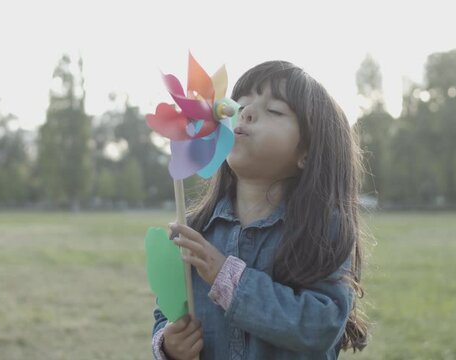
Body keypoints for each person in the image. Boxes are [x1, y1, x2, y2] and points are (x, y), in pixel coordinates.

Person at [152, 60, 368, 359]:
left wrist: (226, 277)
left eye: (274, 110)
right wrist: (167, 345)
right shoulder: (194, 229)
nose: (246, 112)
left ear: (306, 151)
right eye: (238, 106)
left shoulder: (321, 228)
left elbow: (321, 326)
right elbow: (168, 312)